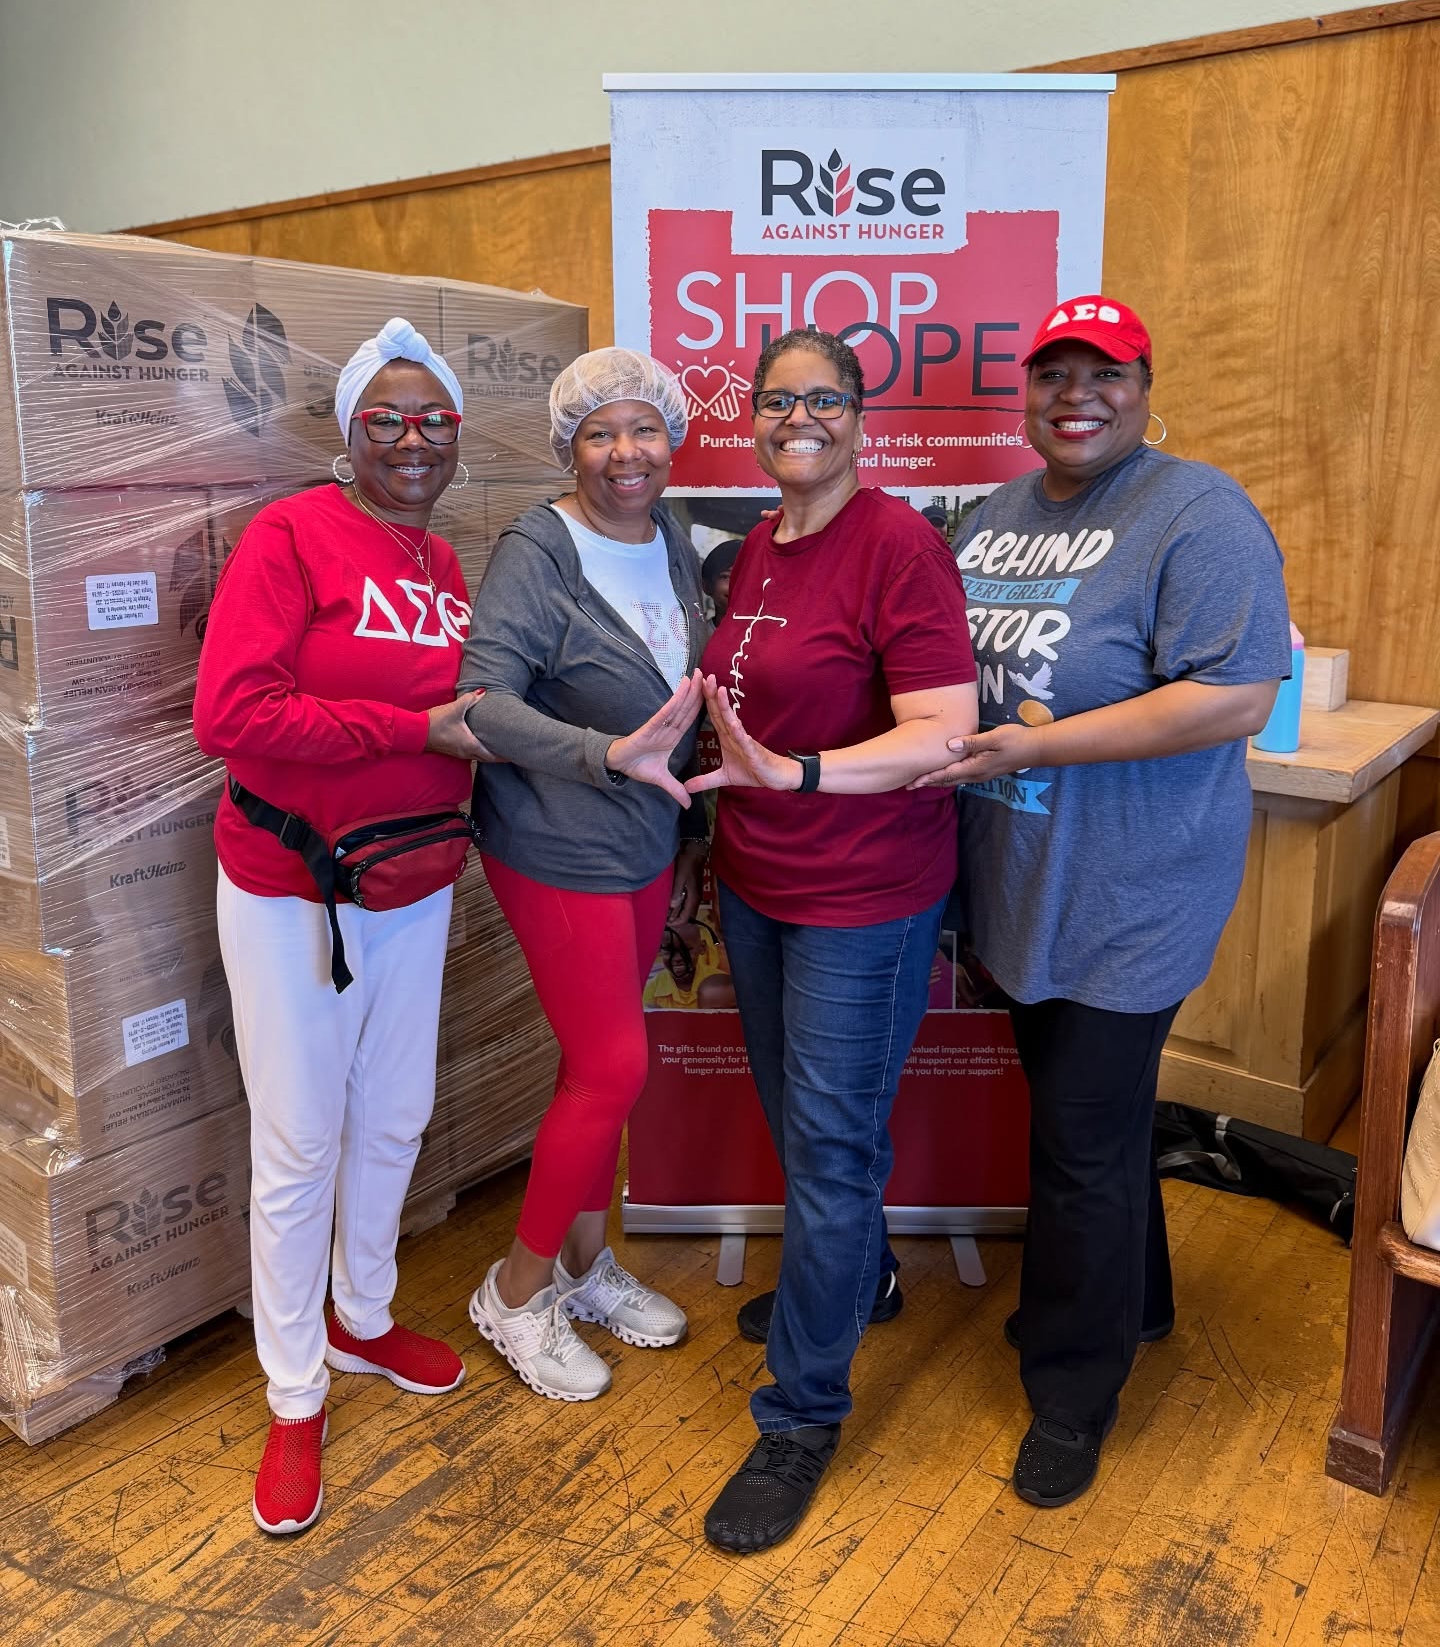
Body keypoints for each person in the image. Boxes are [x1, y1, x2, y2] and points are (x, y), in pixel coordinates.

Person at [915, 295, 1290, 1510]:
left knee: (1076, 1139)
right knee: (1100, 1116)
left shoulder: (1197, 512)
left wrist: (1040, 747)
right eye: (1055, 374)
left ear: (1143, 383)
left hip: (1134, 887)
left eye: (1105, 373)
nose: (1078, 394)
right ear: (1026, 394)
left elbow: (1235, 696)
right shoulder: (995, 516)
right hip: (1023, 883)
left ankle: (1073, 1394)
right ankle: (1149, 1301)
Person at [193, 317, 492, 1536]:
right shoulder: (291, 536)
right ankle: (293, 1392)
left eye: (434, 421)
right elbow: (233, 712)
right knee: (301, 1140)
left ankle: (360, 1320)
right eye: (388, 418)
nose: (412, 439)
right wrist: (414, 734)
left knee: (397, 1115)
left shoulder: (446, 564)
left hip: (413, 884)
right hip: (290, 891)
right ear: (350, 432)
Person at [683, 327, 978, 1553]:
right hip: (757, 885)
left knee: (831, 1151)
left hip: (864, 898)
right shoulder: (759, 543)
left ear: (860, 417)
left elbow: (942, 732)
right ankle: (864, 1282)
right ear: (753, 419)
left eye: (823, 400)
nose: (797, 418)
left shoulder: (897, 545)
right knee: (812, 1132)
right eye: (777, 400)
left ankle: (802, 1415)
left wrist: (798, 773)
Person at [458, 348, 709, 1402]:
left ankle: (584, 1263)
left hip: (646, 844)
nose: (624, 452)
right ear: (570, 446)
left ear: (671, 438)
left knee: (593, 1071)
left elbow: (679, 702)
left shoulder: (675, 540)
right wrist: (604, 755)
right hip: (558, 843)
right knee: (611, 1069)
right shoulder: (541, 547)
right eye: (599, 434)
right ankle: (513, 1295)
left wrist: (686, 839)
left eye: (641, 430)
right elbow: (482, 703)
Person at [701, 537, 741, 621]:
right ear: (707, 586)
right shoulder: (698, 633)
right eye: (726, 576)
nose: (738, 585)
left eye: (746, 576)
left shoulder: (771, 633)